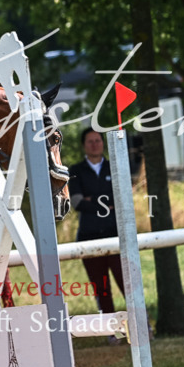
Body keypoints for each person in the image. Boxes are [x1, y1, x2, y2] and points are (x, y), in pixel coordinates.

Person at [68, 128, 126, 339]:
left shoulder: (115, 167)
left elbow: (121, 198)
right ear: (84, 145)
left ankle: (140, 327)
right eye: (90, 141)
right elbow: (76, 202)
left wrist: (92, 200)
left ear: (103, 143)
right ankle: (113, 332)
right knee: (102, 289)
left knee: (127, 284)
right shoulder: (76, 170)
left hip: (115, 236)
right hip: (89, 238)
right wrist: (105, 203)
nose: (95, 144)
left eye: (98, 140)